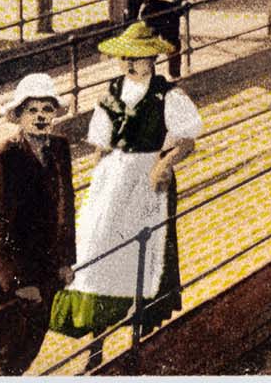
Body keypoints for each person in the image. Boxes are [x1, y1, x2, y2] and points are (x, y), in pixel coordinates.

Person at [49, 23, 202, 347]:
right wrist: (97, 182)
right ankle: (96, 315)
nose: (130, 64)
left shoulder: (167, 95)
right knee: (98, 238)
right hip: (114, 173)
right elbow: (101, 143)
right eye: (125, 58)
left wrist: (164, 163)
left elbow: (187, 142)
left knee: (146, 243)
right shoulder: (112, 92)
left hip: (149, 174)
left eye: (138, 57)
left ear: (152, 58)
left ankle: (141, 316)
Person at [0, 73, 74, 376]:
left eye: (46, 110)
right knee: (7, 356)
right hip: (14, 278)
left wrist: (64, 261)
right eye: (31, 111)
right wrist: (20, 283)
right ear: (19, 116)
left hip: (47, 270)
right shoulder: (5, 156)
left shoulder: (59, 148)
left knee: (32, 344)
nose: (39, 117)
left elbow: (66, 206)